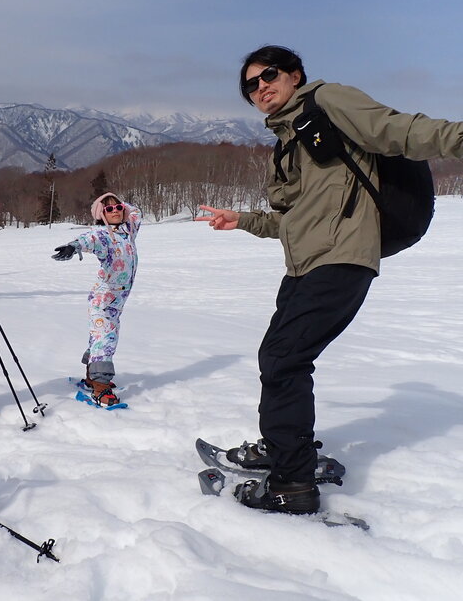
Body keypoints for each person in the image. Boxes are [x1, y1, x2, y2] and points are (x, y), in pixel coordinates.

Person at [196, 44, 463, 514]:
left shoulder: (328, 101)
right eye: (250, 85)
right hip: (303, 265)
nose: (260, 88)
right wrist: (242, 220)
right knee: (278, 359)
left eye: (269, 75)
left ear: (295, 75)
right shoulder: (287, 141)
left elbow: (401, 131)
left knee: (284, 360)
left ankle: (292, 484)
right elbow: (294, 219)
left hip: (342, 258)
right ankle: (283, 448)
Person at [52, 192, 142, 406]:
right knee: (106, 338)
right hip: (104, 299)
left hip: (118, 300)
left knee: (101, 336)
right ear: (101, 214)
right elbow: (88, 240)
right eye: (109, 209)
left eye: (118, 207)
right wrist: (74, 246)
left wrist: (118, 202)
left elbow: (137, 212)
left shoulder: (128, 230)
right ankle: (101, 386)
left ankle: (92, 377)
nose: (115, 211)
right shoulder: (102, 234)